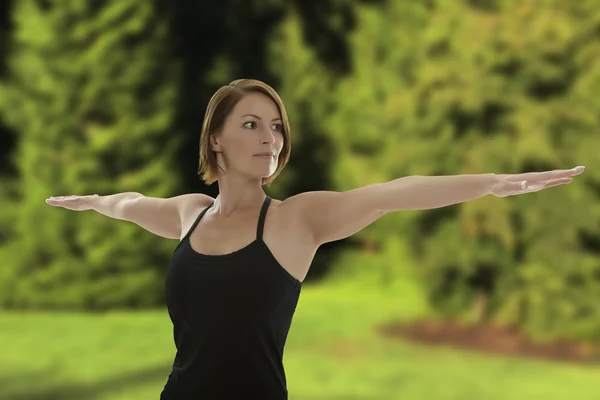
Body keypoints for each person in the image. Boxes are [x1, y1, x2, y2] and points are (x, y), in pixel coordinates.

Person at [45, 79, 585, 399]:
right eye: (252, 124)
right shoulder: (188, 216)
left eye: (276, 126)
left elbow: (392, 192)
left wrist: (490, 184)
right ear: (217, 138)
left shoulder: (294, 221)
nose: (271, 138)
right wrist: (96, 201)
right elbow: (131, 204)